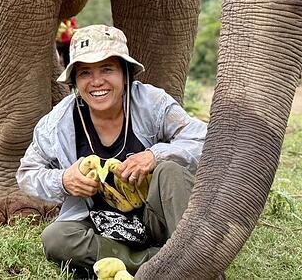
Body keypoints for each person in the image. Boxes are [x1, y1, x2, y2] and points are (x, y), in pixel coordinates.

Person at [17, 25, 207, 278]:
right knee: (56, 239)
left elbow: (204, 139)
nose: (97, 82)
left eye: (107, 69)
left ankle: (195, 260)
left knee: (170, 170)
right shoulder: (57, 124)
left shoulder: (152, 103)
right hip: (102, 227)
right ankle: (162, 264)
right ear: (74, 82)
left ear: (125, 74)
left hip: (157, 219)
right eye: (85, 73)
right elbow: (27, 173)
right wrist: (63, 180)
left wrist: (155, 155)